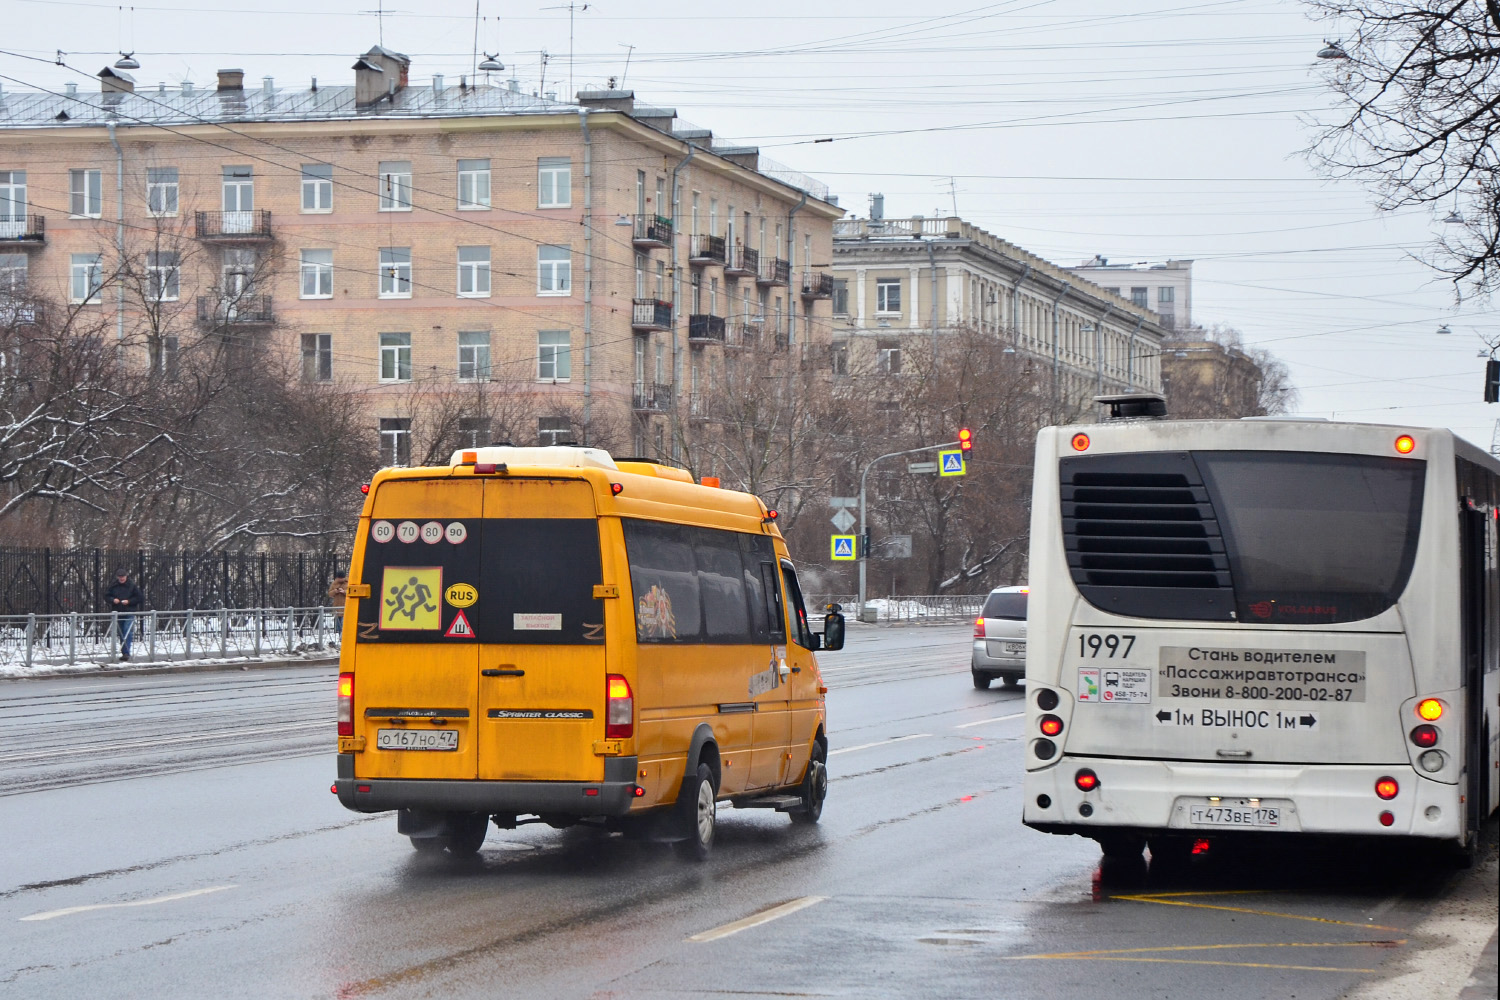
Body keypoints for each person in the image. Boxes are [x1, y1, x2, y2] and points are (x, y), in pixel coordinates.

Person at [105, 567, 144, 661]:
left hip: (129, 611)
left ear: (126, 576)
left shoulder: (132, 585)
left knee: (127, 631)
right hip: (118, 612)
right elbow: (106, 595)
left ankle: (126, 652)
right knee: (121, 632)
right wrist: (113, 600)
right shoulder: (113, 585)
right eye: (120, 577)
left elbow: (140, 597)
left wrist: (129, 601)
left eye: (123, 577)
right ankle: (124, 652)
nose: (121, 578)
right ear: (117, 577)